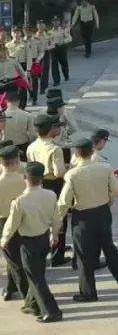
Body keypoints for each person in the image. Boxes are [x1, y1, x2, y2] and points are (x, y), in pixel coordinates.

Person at [55, 137, 118, 301]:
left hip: (82, 217)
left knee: (84, 256)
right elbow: (116, 189)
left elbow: (64, 202)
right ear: (92, 152)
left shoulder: (72, 175)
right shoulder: (105, 168)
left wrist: (57, 222)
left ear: (76, 153)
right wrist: (108, 200)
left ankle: (89, 293)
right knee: (109, 247)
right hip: (103, 213)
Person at [1, 161, 62, 323]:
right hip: (44, 239)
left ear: (25, 178)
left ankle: (52, 311)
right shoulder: (51, 195)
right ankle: (32, 303)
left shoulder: (20, 201)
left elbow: (11, 225)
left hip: (28, 243)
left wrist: (4, 240)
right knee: (38, 273)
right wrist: (54, 235)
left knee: (35, 279)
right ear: (41, 179)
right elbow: (57, 219)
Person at [25, 114, 67, 266]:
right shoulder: (55, 149)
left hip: (38, 183)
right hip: (54, 184)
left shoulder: (31, 147)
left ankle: (47, 249)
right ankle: (57, 254)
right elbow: (59, 172)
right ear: (50, 130)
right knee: (59, 218)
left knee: (43, 218)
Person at [0, 143, 26, 302]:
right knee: (18, 261)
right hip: (23, 222)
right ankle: (27, 293)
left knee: (11, 257)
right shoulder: (25, 180)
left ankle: (10, 288)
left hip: (3, 222)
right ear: (17, 161)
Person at [48, 18, 71, 85]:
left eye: (57, 21)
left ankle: (66, 75)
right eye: (54, 21)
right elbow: (48, 41)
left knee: (64, 62)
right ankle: (56, 81)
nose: (56, 22)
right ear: (52, 22)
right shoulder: (49, 32)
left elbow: (69, 38)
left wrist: (63, 41)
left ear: (59, 22)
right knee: (54, 65)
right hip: (53, 49)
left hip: (62, 48)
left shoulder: (63, 30)